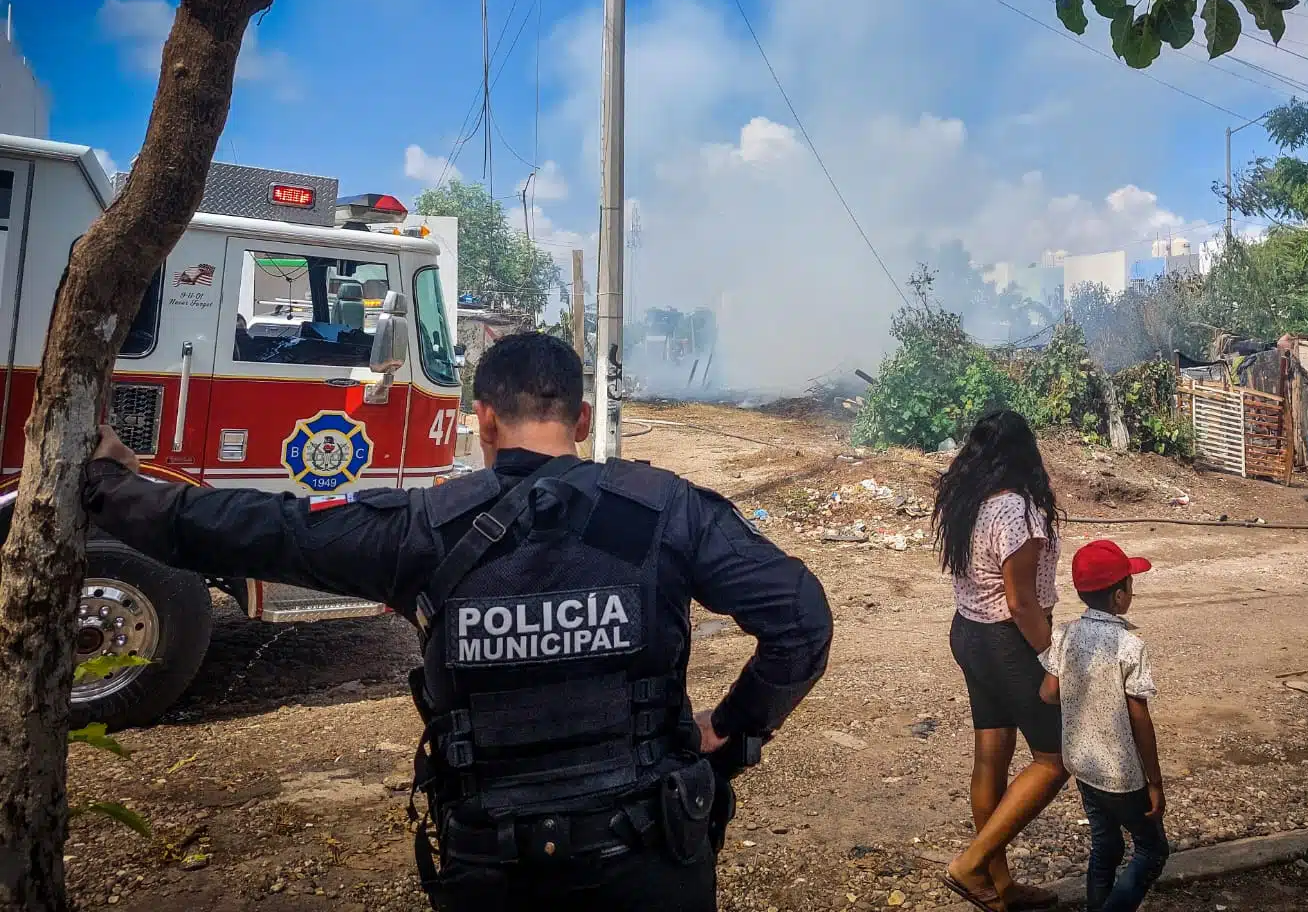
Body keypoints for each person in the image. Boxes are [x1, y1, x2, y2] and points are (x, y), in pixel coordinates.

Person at [83, 331, 833, 912]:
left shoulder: (421, 528)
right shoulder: (666, 509)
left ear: (483, 420)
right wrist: (730, 730)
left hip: (494, 871)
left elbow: (261, 528)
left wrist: (116, 488)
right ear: (580, 417)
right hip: (651, 859)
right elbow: (800, 620)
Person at [935, 409, 1069, 912]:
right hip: (1006, 641)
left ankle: (996, 887)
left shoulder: (969, 502)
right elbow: (1021, 601)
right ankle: (971, 864)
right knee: (1055, 759)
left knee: (992, 755)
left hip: (968, 633)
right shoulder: (1017, 509)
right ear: (1024, 453)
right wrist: (1051, 655)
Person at [1041, 541, 1167, 912]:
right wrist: (1155, 780)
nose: (1132, 590)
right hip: (1122, 774)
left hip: (1081, 763)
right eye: (1130, 584)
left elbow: (1048, 693)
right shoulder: (1129, 645)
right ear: (1118, 597)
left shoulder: (1064, 634)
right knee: (1152, 850)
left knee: (1105, 844)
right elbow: (1139, 718)